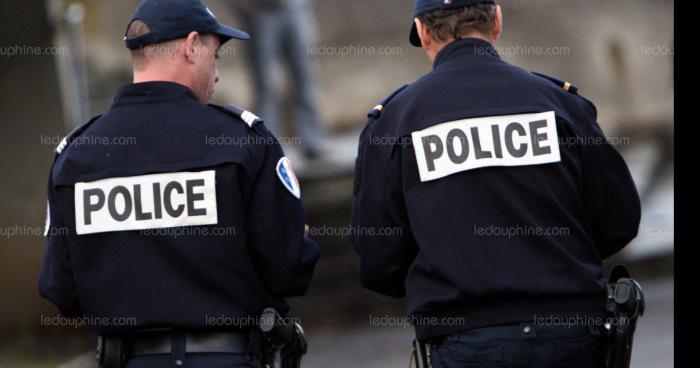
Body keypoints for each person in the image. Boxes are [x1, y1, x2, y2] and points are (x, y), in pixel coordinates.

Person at [350, 1, 641, 367]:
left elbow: (378, 262)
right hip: (572, 334)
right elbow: (619, 221)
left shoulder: (394, 122)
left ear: (423, 32)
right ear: (496, 21)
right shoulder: (559, 103)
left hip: (465, 341)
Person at [38, 1, 319, 367]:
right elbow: (290, 269)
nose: (216, 73)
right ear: (190, 46)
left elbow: (60, 290)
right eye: (215, 55)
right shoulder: (243, 141)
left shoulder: (76, 157)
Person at [230, 0, 326, 159]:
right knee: (266, 85)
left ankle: (313, 141)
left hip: (295, 9)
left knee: (305, 77)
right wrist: (245, 6)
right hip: (261, 15)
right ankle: (267, 148)